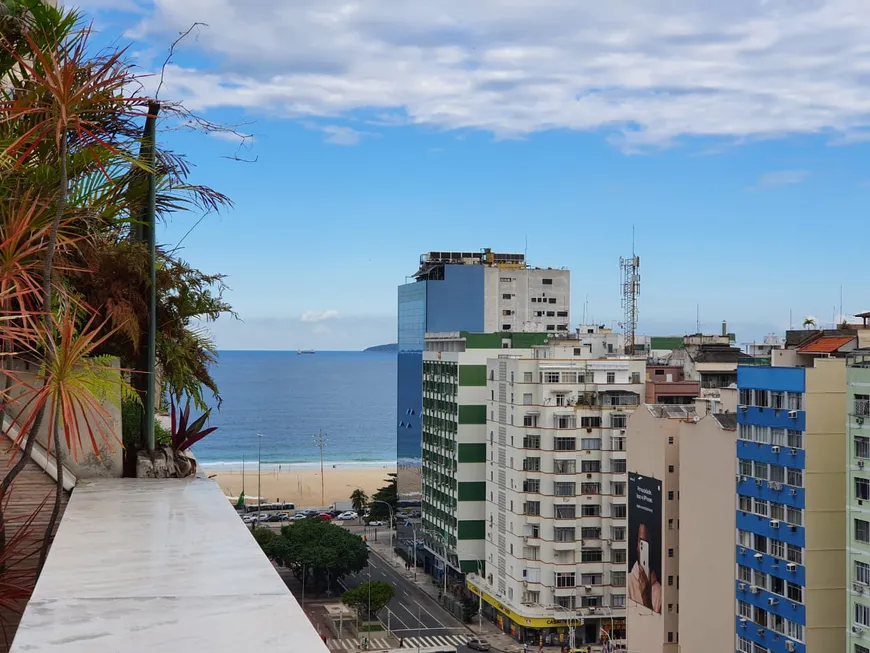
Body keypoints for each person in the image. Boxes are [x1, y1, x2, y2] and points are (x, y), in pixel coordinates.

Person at [627, 523, 662, 614]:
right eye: (641, 542)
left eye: (647, 543)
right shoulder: (628, 581)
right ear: (636, 546)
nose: (643, 549)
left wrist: (646, 598)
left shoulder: (661, 592)